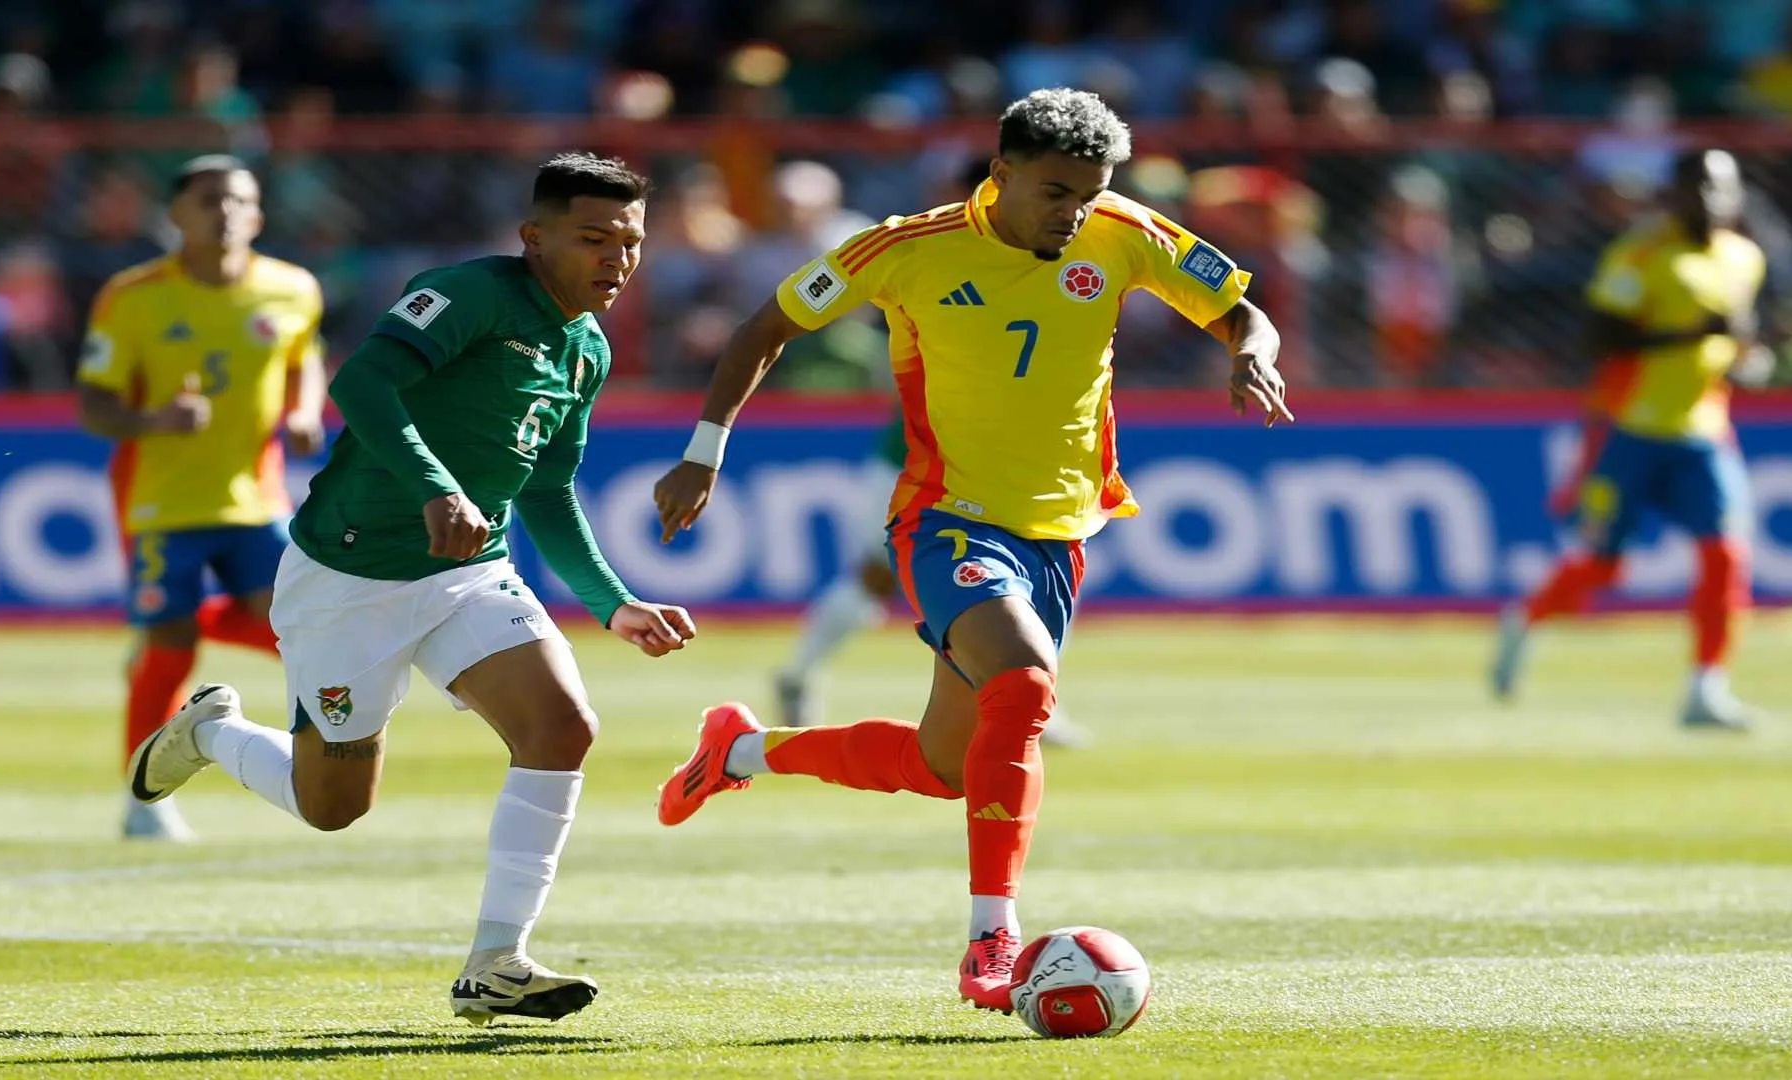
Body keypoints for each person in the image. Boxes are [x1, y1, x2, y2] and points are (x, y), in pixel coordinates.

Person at [653, 88, 1289, 1013]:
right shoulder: (906, 249)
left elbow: (1242, 310)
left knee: (944, 766)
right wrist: (702, 454)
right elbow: (769, 327)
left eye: (1089, 194)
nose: (1074, 215)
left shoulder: (1126, 230)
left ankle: (741, 752)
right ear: (1001, 173)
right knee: (1025, 685)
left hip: (1060, 535)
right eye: (1056, 193)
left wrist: (1251, 352)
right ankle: (991, 937)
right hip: (945, 519)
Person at [124, 153, 697, 1025]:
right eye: (594, 238)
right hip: (347, 578)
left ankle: (497, 962)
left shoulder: (587, 348)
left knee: (564, 725)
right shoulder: (469, 294)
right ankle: (217, 734)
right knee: (333, 808)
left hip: (469, 575)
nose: (617, 259)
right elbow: (363, 380)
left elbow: (544, 490)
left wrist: (613, 601)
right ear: (533, 238)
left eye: (631, 242)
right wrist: (437, 487)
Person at [76, 155, 328, 842]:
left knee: (296, 629)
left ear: (259, 216)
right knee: (171, 646)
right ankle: (144, 800)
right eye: (210, 199)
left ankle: (167, 622)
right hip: (163, 499)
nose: (226, 212)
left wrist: (305, 411)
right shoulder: (132, 297)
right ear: (177, 214)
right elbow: (94, 403)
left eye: (239, 200)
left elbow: (304, 357)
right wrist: (154, 420)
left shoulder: (292, 288)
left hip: (257, 497)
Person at [1493, 149, 1767, 730]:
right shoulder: (1640, 255)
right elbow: (1599, 340)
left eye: (1722, 190)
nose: (1712, 201)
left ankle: (1705, 688)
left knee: (1725, 555)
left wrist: (1749, 361)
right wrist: (1688, 334)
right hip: (1631, 429)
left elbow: (1736, 343)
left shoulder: (1745, 258)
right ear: (1675, 194)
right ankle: (1526, 619)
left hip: (1704, 431)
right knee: (1601, 568)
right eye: (1699, 188)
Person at [771, 408, 1094, 748]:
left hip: (994, 467)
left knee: (1041, 574)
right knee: (876, 577)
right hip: (916, 460)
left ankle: (1038, 702)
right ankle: (798, 675)